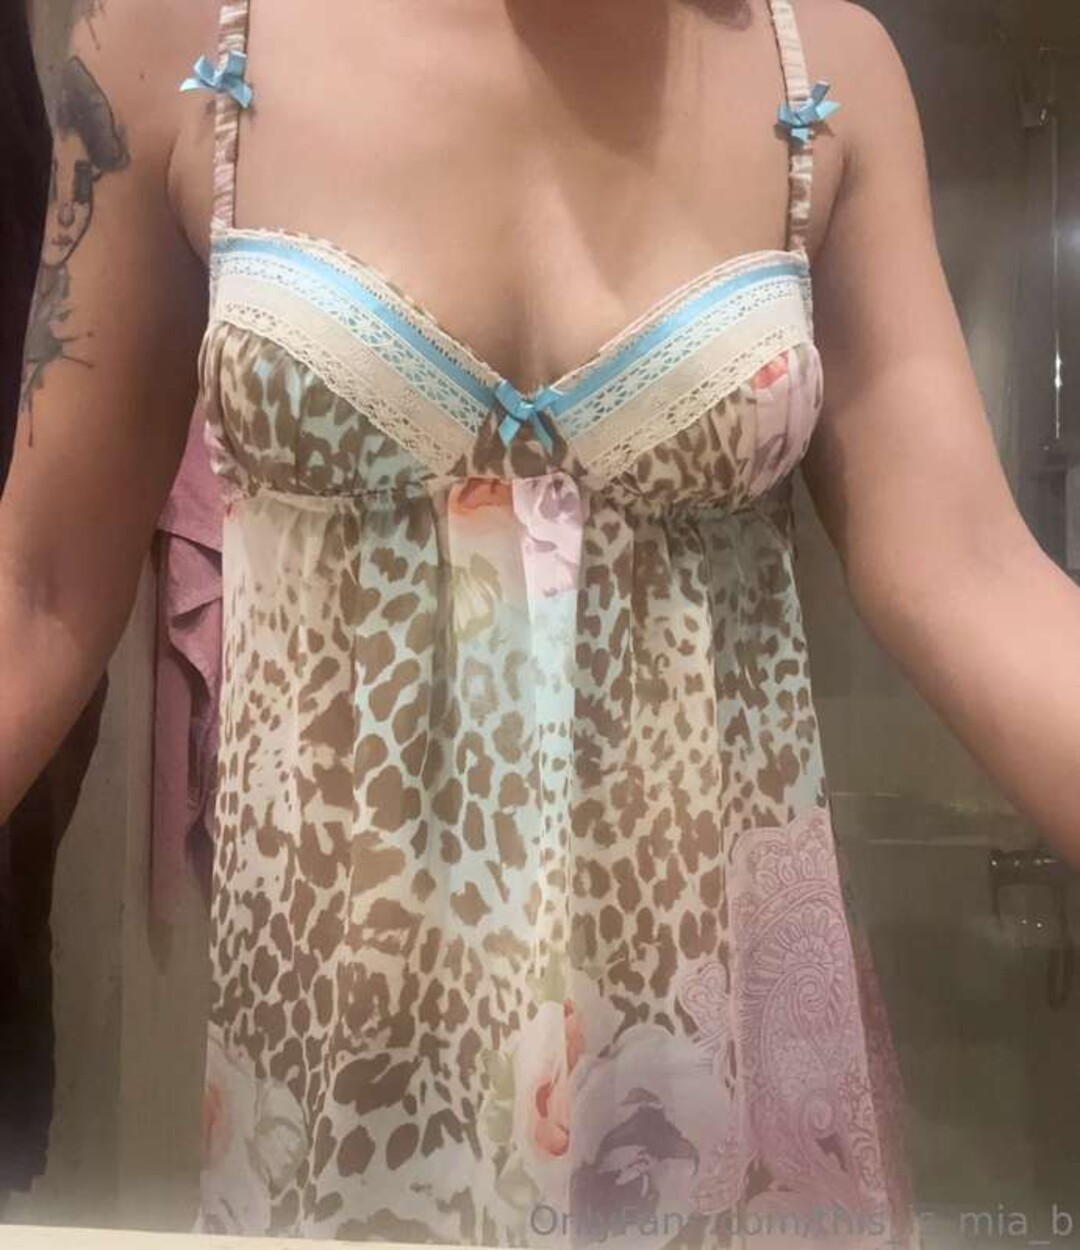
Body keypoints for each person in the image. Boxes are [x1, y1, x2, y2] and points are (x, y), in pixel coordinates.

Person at [1, 0, 1079, 1244]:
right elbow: (38, 586)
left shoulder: (823, 73)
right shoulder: (175, 40)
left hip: (717, 1085)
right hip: (347, 1091)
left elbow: (970, 569)